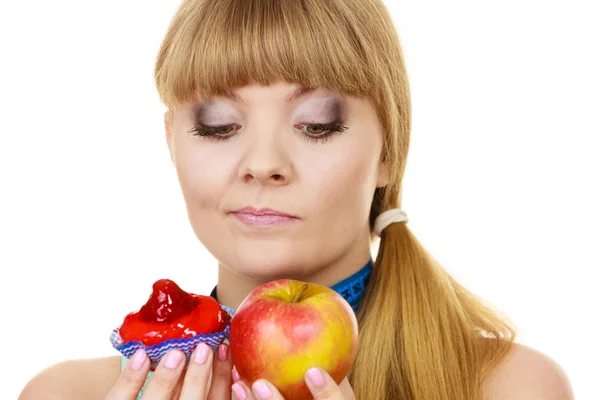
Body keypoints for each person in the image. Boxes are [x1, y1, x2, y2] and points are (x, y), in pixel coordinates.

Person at [19, 0, 574, 399]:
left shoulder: (511, 388)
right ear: (172, 143)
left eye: (316, 124)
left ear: (389, 151)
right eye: (217, 125)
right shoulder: (66, 394)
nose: (263, 164)